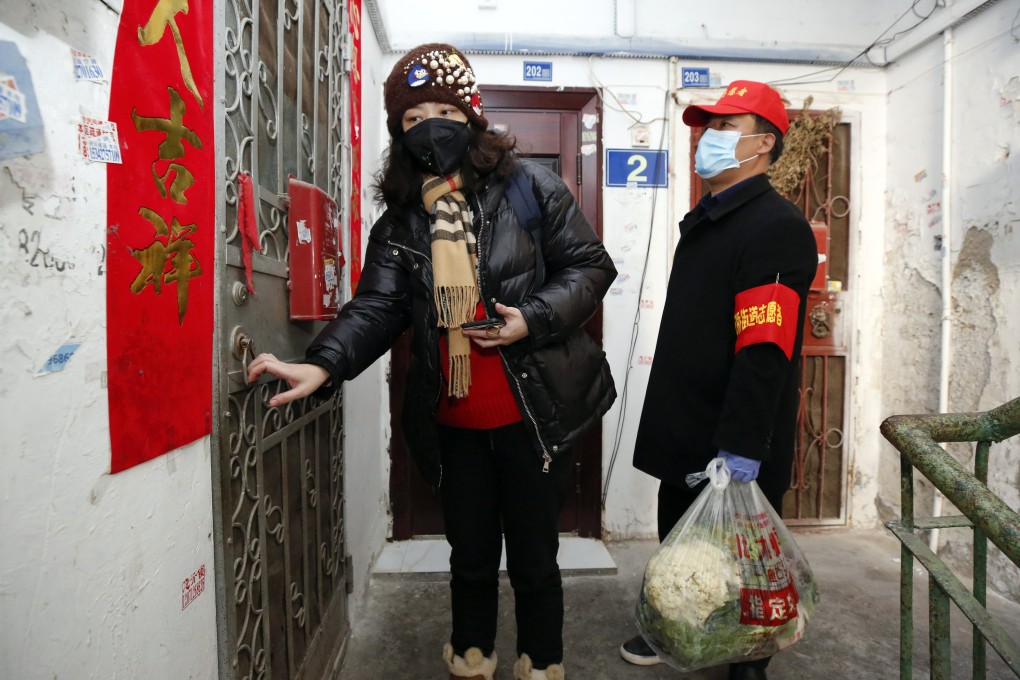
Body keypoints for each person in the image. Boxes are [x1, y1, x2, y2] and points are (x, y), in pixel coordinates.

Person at [247, 43, 616, 680]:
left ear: (472, 118)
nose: (430, 128)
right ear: (399, 133)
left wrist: (532, 317)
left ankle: (542, 662)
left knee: (534, 555)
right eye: (413, 118)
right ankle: (472, 656)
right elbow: (376, 308)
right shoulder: (400, 224)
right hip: (456, 421)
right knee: (469, 554)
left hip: (536, 415)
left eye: (444, 110)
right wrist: (324, 363)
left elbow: (590, 267)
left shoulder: (532, 188)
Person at [618, 81, 818, 680]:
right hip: (685, 424)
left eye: (726, 128)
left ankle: (748, 663)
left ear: (762, 146)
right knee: (682, 547)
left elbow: (764, 349)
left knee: (743, 560)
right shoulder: (708, 219)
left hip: (730, 436)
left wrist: (741, 446)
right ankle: (672, 627)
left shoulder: (774, 227)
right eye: (708, 126)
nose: (708, 137)